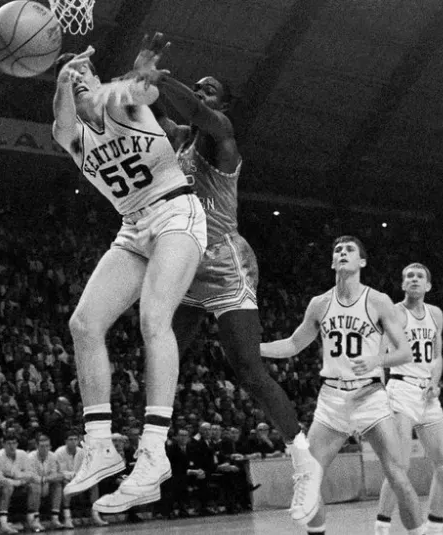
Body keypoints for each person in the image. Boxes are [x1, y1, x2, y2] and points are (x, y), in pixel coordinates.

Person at [124, 32, 324, 518]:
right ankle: (150, 454)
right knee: (158, 346)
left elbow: (193, 110)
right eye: (200, 86)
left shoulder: (222, 137)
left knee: (248, 371)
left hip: (224, 260)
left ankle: (303, 460)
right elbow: (141, 113)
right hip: (184, 257)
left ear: (225, 104)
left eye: (210, 89)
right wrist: (134, 77)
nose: (203, 92)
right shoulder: (178, 141)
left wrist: (162, 77)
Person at [51, 42, 208, 513]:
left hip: (176, 211)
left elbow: (146, 91)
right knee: (83, 324)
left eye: (84, 76)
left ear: (98, 81)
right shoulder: (74, 135)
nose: (79, 82)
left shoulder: (124, 103)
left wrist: (135, 75)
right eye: (71, 81)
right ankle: (100, 445)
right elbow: (61, 127)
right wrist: (62, 81)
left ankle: (154, 451)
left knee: (153, 320)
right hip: (133, 227)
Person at [261, 236, 426, 534]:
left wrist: (377, 362)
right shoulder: (320, 303)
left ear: (362, 261)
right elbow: (293, 344)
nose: (343, 253)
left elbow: (405, 352)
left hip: (370, 396)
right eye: (338, 250)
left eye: (350, 250)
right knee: (309, 478)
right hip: (332, 399)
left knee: (398, 477)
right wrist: (253, 349)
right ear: (333, 262)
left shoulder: (377, 300)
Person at [375, 263, 443, 535]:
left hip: (427, 394)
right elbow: (380, 355)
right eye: (408, 275)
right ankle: (382, 527)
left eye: (420, 276)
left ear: (428, 285)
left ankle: (434, 528)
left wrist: (435, 382)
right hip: (400, 389)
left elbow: (437, 356)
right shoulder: (394, 313)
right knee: (401, 465)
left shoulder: (436, 314)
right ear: (402, 284)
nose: (414, 279)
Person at [25, 435, 65, 531]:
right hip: (30, 485)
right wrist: (45, 480)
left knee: (58, 485)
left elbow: (55, 475)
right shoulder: (30, 457)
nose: (45, 448)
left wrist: (45, 480)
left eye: (47, 446)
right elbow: (31, 477)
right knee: (36, 486)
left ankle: (55, 519)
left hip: (46, 483)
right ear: (37, 447)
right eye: (42, 446)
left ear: (50, 447)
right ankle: (34, 520)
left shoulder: (53, 456)